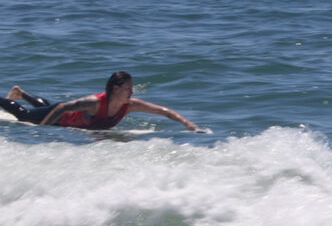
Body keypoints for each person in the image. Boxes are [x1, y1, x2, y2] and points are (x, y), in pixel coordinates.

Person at [0, 71, 199, 131]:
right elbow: (63, 107)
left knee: (45, 106)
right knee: (23, 115)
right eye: (128, 88)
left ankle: (20, 92)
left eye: (131, 88)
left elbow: (163, 111)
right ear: (115, 88)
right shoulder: (94, 102)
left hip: (65, 118)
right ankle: (16, 97)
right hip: (61, 118)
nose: (131, 91)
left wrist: (187, 123)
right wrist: (43, 127)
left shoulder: (130, 105)